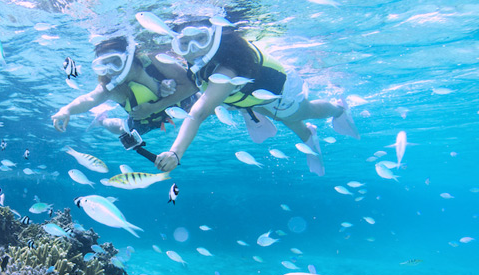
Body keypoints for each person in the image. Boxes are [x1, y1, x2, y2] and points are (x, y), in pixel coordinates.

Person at [153, 17, 359, 176]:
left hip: (280, 91)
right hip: (249, 97)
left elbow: (198, 113)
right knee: (270, 112)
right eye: (184, 43)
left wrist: (175, 153)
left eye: (201, 39)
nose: (193, 49)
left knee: (298, 114)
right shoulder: (200, 64)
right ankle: (306, 136)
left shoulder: (228, 69)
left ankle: (338, 110)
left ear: (216, 36)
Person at [51, 36, 198, 160]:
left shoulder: (154, 60)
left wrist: (154, 107)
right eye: (104, 65)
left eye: (116, 62)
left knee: (204, 104)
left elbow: (192, 86)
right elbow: (89, 99)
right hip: (144, 120)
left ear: (129, 58)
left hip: (182, 105)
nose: (110, 70)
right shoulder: (111, 87)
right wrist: (66, 110)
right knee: (123, 128)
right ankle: (102, 121)